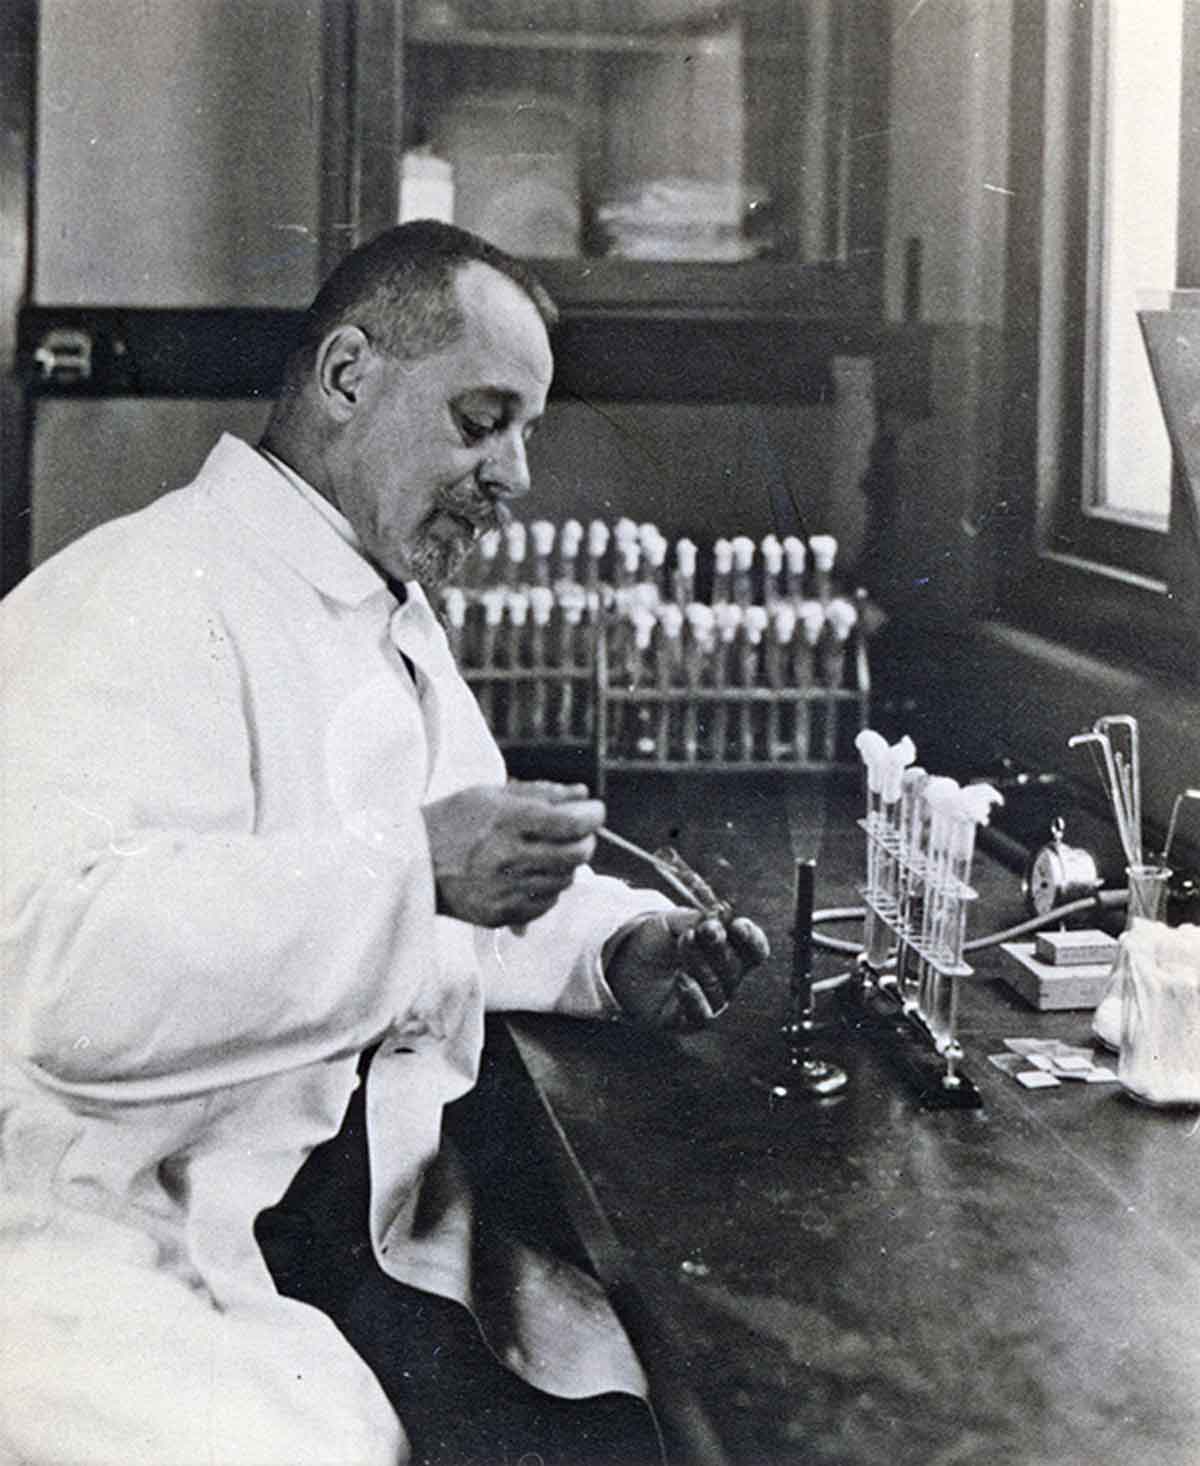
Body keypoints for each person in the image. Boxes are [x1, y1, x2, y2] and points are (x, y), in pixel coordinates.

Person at [0, 220, 769, 1466]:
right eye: (482, 420)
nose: (516, 474)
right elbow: (58, 973)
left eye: (527, 431)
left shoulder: (373, 608)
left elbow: (458, 871)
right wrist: (416, 867)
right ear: (349, 375)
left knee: (632, 1408)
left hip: (325, 1204)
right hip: (106, 1221)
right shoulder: (136, 595)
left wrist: (610, 946)